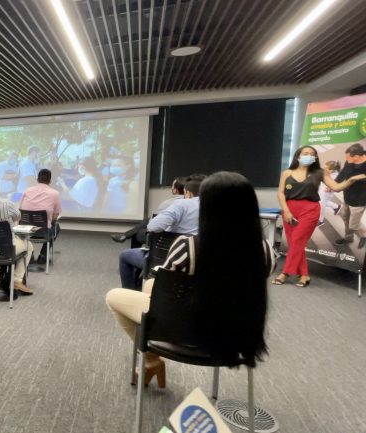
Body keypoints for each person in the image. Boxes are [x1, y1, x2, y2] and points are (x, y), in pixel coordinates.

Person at [106, 171, 276, 387]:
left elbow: (167, 289)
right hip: (239, 333)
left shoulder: (189, 247)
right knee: (149, 285)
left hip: (189, 333)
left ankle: (151, 360)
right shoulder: (266, 251)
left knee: (115, 296)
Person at [274, 146, 366, 287]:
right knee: (294, 244)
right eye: (306, 153)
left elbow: (336, 187)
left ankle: (285, 273)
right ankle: (304, 275)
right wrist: (286, 210)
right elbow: (281, 193)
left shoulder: (320, 172)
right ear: (298, 156)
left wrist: (352, 180)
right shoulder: (287, 173)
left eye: (312, 154)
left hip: (310, 210)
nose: (309, 155)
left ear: (316, 158)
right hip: (289, 209)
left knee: (297, 241)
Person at [117, 176, 203, 289]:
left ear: (188, 193)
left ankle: (130, 292)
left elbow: (153, 227)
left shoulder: (182, 204)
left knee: (125, 256)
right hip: (202, 262)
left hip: (170, 260)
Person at [111, 176, 188, 245]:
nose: (171, 187)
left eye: (172, 186)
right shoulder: (194, 203)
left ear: (175, 190)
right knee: (147, 220)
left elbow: (153, 224)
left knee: (139, 233)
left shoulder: (167, 203)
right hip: (186, 238)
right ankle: (125, 235)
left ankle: (132, 247)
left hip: (165, 237)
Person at [19, 169, 62, 264]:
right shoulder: (55, 193)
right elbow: (55, 216)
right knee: (56, 226)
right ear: (50, 181)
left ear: (37, 179)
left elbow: (20, 209)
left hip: (26, 230)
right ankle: (43, 256)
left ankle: (30, 254)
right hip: (43, 231)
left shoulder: (27, 190)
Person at [334, 144, 366, 247]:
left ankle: (364, 236)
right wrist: (334, 184)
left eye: (349, 158)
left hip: (360, 199)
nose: (347, 160)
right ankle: (348, 238)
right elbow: (343, 173)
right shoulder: (350, 161)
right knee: (345, 217)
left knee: (354, 225)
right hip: (348, 196)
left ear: (356, 156)